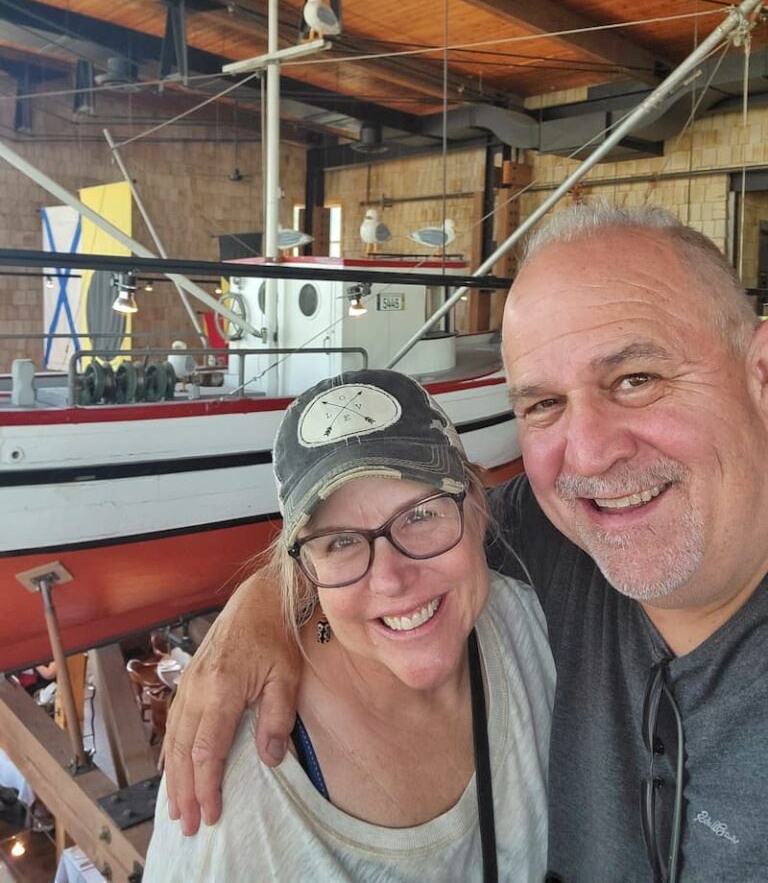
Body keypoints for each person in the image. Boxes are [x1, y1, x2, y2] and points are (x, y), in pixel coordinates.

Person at [162, 204, 768, 882]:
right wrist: (260, 611)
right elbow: (387, 546)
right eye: (543, 404)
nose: (590, 455)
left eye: (636, 380)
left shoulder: (549, 564)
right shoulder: (558, 533)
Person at [147, 369, 555, 881]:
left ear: (478, 507)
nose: (390, 579)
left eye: (420, 515)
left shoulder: (530, 624)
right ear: (305, 569)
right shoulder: (237, 794)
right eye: (340, 542)